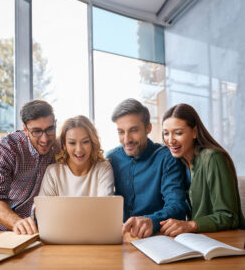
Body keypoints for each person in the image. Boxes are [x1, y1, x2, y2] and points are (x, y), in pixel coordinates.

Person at [0, 100, 59, 247]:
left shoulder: (57, 148)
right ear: (26, 129)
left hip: (22, 218)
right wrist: (17, 222)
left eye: (49, 129)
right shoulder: (6, 148)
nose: (45, 139)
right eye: (36, 131)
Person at [106, 98, 187, 239]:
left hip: (156, 237)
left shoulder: (167, 158)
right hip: (120, 238)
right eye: (121, 132)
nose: (127, 139)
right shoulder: (111, 158)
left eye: (133, 130)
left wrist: (152, 221)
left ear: (148, 128)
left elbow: (177, 207)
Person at [160, 103, 245, 236]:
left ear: (194, 132)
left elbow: (229, 216)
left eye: (178, 133)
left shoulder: (213, 158)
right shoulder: (179, 163)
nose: (170, 140)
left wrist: (190, 225)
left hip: (227, 241)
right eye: (166, 133)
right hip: (200, 240)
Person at [38, 115, 114, 196]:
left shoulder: (103, 169)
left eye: (85, 142)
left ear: (92, 143)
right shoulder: (53, 172)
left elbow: (105, 206)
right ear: (64, 145)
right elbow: (45, 207)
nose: (79, 149)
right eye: (72, 143)